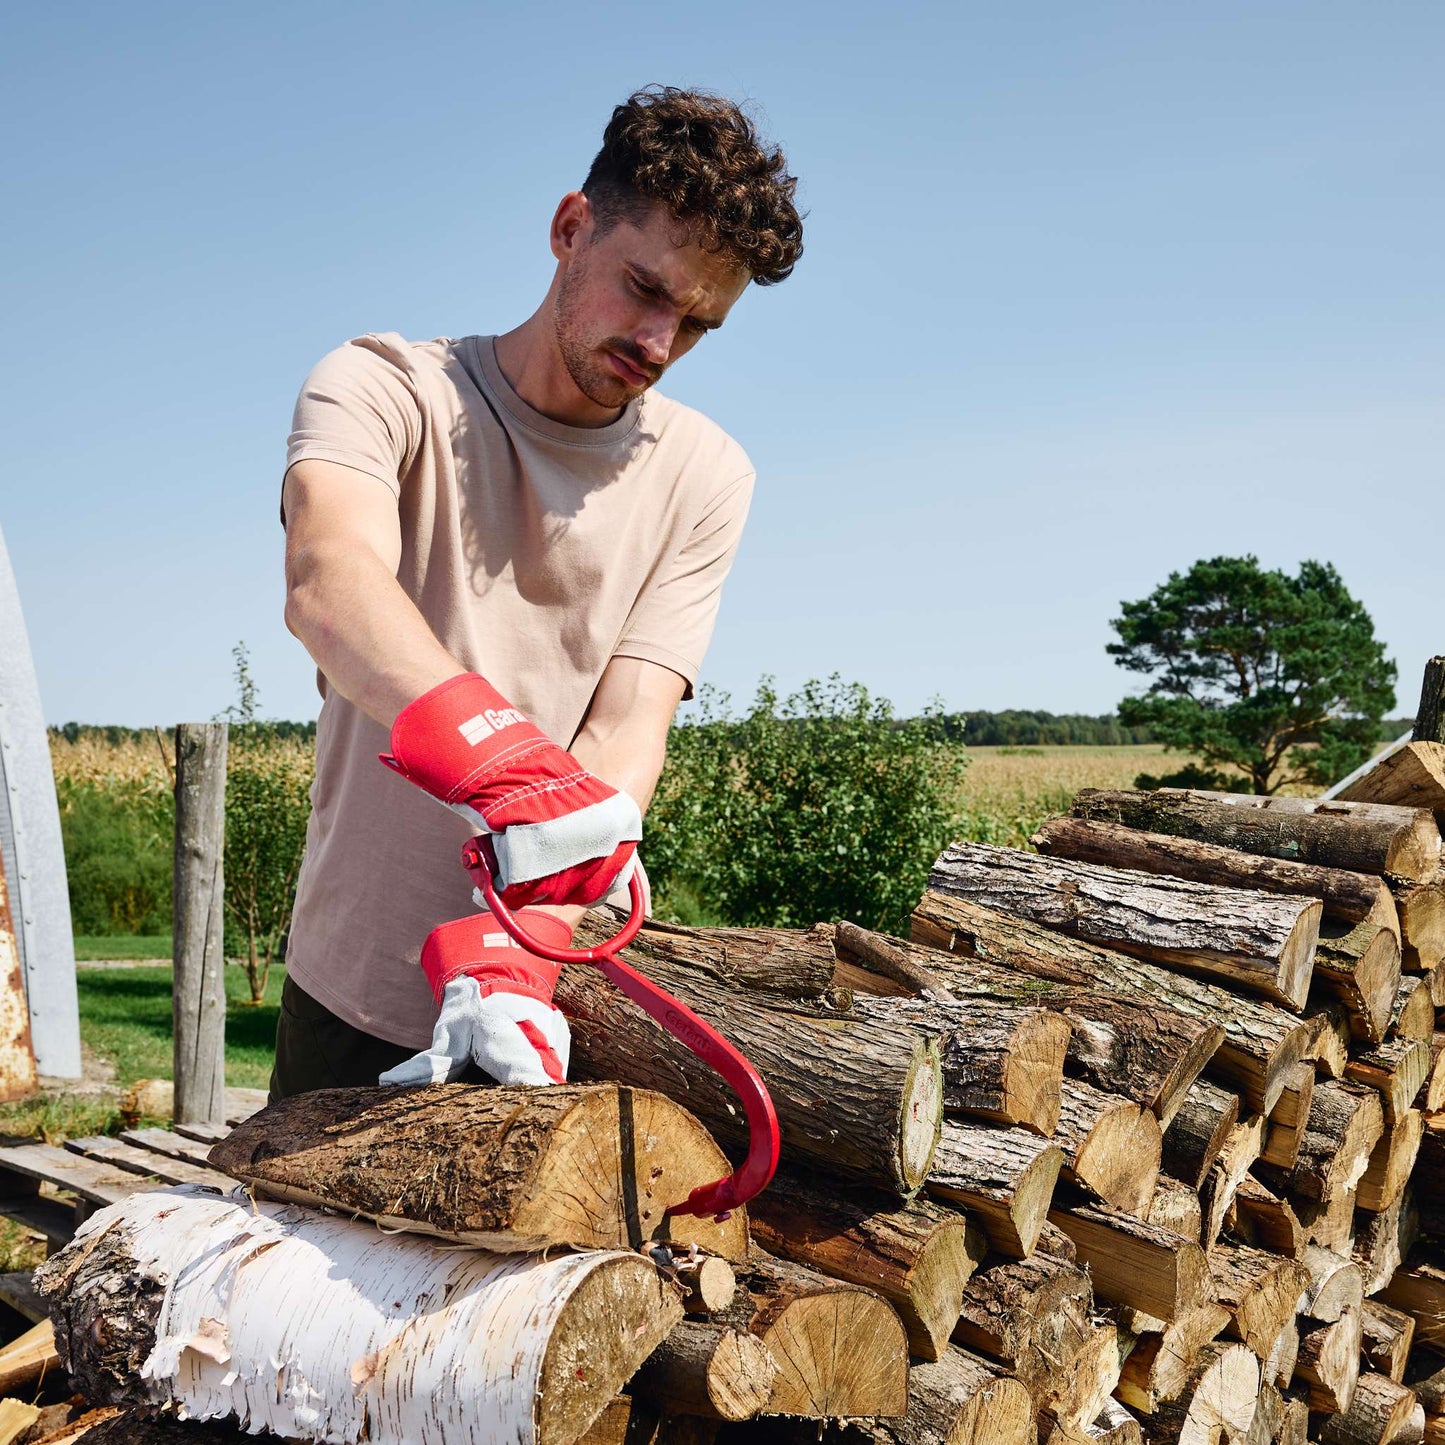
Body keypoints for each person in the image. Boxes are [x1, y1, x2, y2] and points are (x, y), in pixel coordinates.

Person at [269, 86, 803, 1100]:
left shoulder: (705, 473)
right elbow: (329, 586)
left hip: (536, 985)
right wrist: (513, 769)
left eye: (697, 323)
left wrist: (524, 948)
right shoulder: (383, 386)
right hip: (353, 981)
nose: (659, 342)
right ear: (569, 228)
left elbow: (629, 723)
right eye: (644, 288)